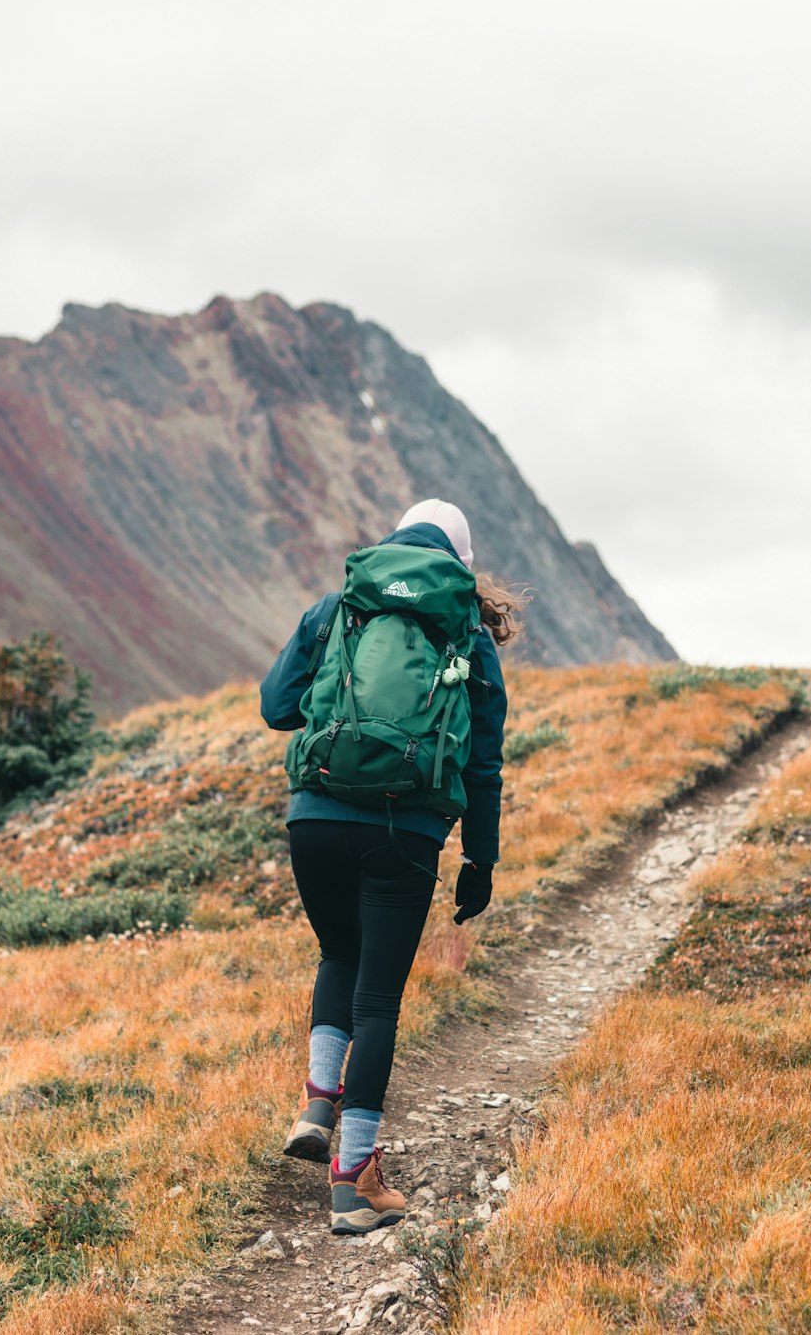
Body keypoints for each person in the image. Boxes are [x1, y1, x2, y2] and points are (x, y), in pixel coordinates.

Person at [259, 499, 524, 1234]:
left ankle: (317, 1103)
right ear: (460, 560)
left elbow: (276, 706)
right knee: (377, 1000)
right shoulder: (466, 626)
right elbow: (484, 761)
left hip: (314, 818)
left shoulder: (341, 603)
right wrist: (480, 857)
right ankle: (353, 1185)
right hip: (404, 832)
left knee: (337, 951)